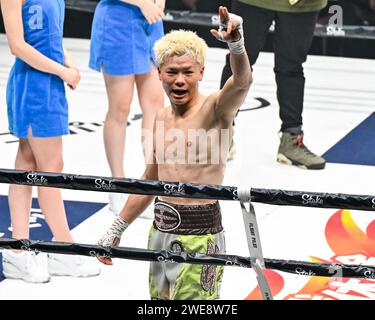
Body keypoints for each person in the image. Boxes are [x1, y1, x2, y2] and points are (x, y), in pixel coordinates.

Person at [96, 6, 252, 300]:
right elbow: (150, 178)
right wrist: (118, 226)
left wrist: (236, 44)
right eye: (172, 72)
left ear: (201, 73)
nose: (179, 80)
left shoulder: (216, 110)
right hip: (160, 231)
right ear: (159, 73)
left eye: (187, 72)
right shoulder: (160, 118)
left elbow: (242, 81)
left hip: (200, 234)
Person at [0, 0, 100, 283]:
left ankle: (19, 250)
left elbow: (50, 38)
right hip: (34, 84)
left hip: (47, 82)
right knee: (49, 169)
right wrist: (62, 71)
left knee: (28, 164)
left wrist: (68, 62)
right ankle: (62, 247)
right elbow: (18, 45)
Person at [221, 0, 327, 169]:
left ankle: (291, 138)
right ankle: (221, 135)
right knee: (238, 60)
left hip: (302, 4)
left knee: (292, 66)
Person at [89, 0, 165, 215]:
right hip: (117, 21)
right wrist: (142, 3)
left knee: (156, 105)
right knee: (120, 107)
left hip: (151, 24)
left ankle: (152, 182)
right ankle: (117, 184)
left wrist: (158, 3)